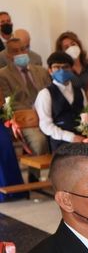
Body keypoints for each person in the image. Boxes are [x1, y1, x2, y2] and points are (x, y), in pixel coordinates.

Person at [0, 37, 51, 175]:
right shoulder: (3, 75)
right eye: (15, 51)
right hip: (25, 120)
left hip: (47, 115)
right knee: (39, 141)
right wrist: (34, 110)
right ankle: (36, 176)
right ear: (8, 55)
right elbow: (8, 102)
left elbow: (50, 93)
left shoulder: (41, 71)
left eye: (23, 49)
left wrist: (43, 108)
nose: (20, 53)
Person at [34, 51, 88, 152]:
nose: (61, 70)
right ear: (50, 71)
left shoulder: (80, 91)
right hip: (60, 143)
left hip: (82, 140)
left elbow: (87, 115)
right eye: (57, 67)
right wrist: (71, 137)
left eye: (65, 67)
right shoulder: (45, 93)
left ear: (71, 69)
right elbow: (45, 125)